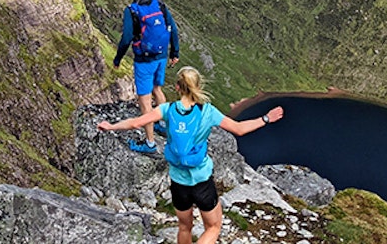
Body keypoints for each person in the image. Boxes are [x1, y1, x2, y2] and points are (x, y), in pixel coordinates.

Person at [98, 66, 284, 244]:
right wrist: (266, 118)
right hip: (201, 181)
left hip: (178, 181)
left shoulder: (167, 109)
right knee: (213, 227)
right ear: (198, 86)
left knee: (184, 227)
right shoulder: (207, 112)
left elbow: (135, 123)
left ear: (178, 87)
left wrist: (111, 126)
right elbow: (239, 129)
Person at [112, 0, 179, 153]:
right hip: (161, 56)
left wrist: (118, 59)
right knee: (157, 89)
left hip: (144, 60)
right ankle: (161, 124)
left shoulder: (132, 10)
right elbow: (172, 27)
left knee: (144, 100)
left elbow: (126, 38)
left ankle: (149, 143)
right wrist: (175, 52)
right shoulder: (159, 4)